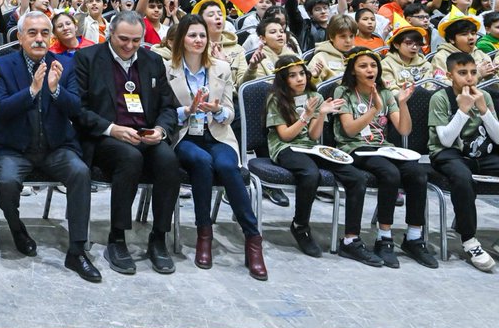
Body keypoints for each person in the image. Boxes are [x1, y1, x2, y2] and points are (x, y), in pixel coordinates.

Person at [0, 12, 100, 282]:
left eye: (44, 33)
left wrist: (55, 90)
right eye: (32, 33)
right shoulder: (3, 65)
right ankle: (17, 229)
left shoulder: (64, 65)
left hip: (55, 147)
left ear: (51, 37)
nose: (39, 38)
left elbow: (76, 109)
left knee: (80, 172)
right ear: (20, 37)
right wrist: (32, 90)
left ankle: (77, 251)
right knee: (6, 182)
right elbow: (0, 110)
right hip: (14, 148)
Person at [71, 10, 180, 276]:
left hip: (145, 134)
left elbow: (168, 106)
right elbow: (78, 109)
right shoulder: (88, 58)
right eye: (123, 39)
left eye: (136, 40)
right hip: (106, 137)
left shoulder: (153, 60)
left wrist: (160, 130)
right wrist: (112, 129)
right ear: (110, 33)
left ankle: (158, 237)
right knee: (130, 158)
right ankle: (117, 238)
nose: (130, 46)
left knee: (169, 161)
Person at [164, 15, 266, 279]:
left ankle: (253, 238)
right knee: (202, 162)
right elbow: (162, 111)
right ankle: (204, 234)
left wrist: (218, 110)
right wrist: (187, 111)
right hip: (185, 136)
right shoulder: (167, 69)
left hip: (218, 134)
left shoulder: (221, 68)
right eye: (192, 35)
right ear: (181, 39)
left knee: (227, 166)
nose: (198, 40)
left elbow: (230, 113)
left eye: (202, 35)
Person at [333, 47, 438, 268]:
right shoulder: (343, 92)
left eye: (373, 65)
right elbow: (350, 130)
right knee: (390, 174)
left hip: (383, 148)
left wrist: (402, 103)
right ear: (352, 71)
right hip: (355, 147)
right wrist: (374, 110)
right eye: (363, 66)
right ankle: (384, 238)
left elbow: (404, 130)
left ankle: (413, 237)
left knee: (418, 173)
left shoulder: (386, 93)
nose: (370, 70)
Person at [264, 55, 371, 258]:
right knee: (310, 173)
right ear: (283, 79)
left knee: (356, 177)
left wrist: (321, 114)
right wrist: (305, 116)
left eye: (302, 74)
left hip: (310, 147)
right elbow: (285, 136)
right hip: (285, 148)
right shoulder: (276, 99)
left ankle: (351, 239)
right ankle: (300, 226)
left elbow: (314, 136)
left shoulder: (315, 96)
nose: (300, 79)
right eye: (292, 76)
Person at [427, 51, 499, 271]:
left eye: (473, 72)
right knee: (462, 178)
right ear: (450, 76)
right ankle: (469, 240)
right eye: (462, 73)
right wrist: (464, 110)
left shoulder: (484, 96)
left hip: (481, 153)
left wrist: (484, 110)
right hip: (448, 153)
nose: (469, 78)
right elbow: (446, 140)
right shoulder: (440, 98)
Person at [430, 12, 497, 79]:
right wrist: (477, 74)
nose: (471, 37)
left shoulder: (480, 53)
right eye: (464, 34)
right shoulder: (441, 58)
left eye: (473, 33)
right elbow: (441, 83)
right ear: (451, 39)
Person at [380, 23, 433, 91]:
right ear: (396, 45)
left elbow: (431, 86)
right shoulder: (386, 64)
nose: (415, 47)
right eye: (409, 43)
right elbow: (391, 89)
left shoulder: (425, 64)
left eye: (417, 44)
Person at [307, 13, 356, 85]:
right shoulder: (320, 58)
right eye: (343, 36)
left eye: (351, 36)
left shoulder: (360, 54)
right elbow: (310, 87)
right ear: (331, 37)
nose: (348, 40)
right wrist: (315, 78)